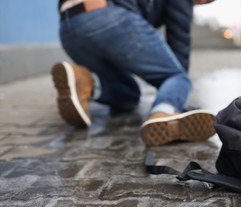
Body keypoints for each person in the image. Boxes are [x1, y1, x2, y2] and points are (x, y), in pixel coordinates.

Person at [51, 0, 216, 146]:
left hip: (68, 27)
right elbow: (179, 39)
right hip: (107, 17)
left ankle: (87, 82)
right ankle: (164, 113)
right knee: (178, 77)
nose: (197, 4)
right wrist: (175, 94)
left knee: (128, 95)